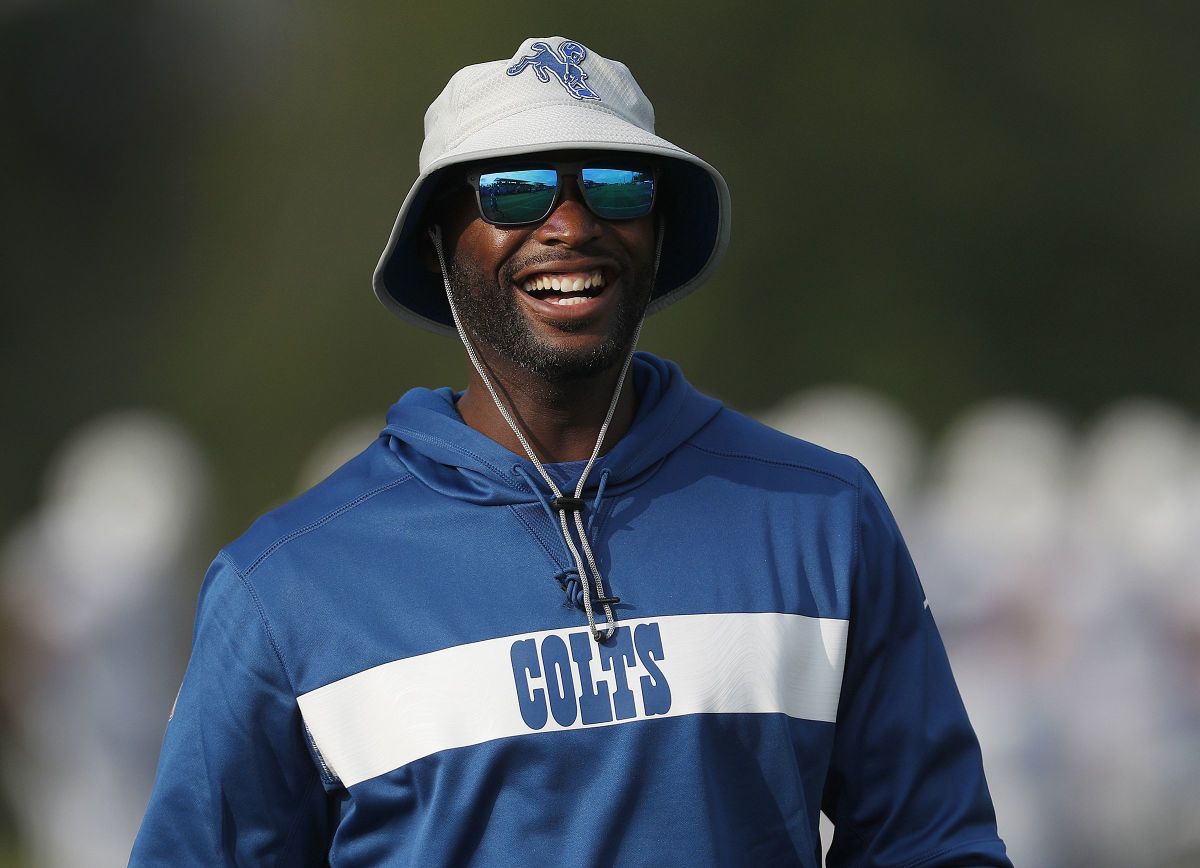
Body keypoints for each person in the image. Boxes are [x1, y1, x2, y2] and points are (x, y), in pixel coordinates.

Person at [131, 36, 1012, 867]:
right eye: (513, 191)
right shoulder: (287, 585)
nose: (569, 225)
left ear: (659, 229)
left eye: (616, 185)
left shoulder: (823, 516)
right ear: (440, 242)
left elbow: (932, 846)